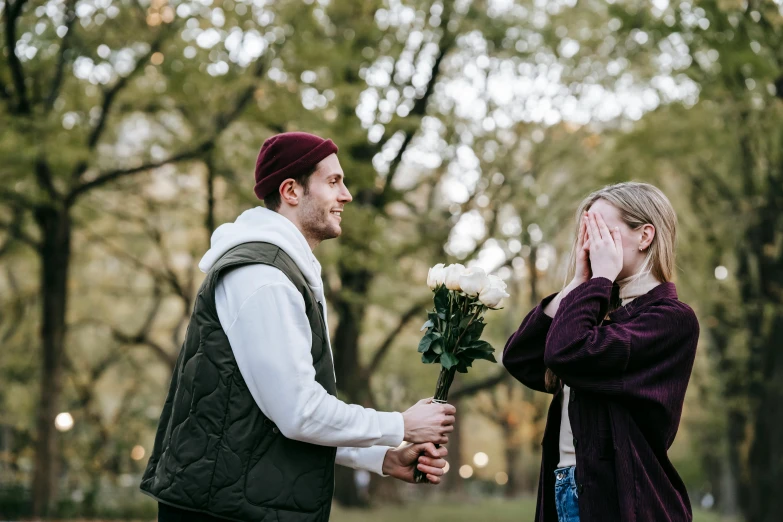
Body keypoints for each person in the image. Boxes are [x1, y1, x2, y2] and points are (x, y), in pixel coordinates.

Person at [140, 132, 455, 522]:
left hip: (244, 503)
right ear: (291, 190)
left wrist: (384, 459)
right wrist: (401, 424)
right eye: (333, 182)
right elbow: (298, 412)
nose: (347, 195)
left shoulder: (284, 270)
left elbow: (278, 417)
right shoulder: (263, 275)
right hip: (224, 510)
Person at [503, 182, 699, 522]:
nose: (592, 246)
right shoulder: (598, 312)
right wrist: (578, 283)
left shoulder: (671, 320)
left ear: (645, 236)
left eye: (603, 233)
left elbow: (568, 353)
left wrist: (599, 280)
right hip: (566, 488)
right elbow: (520, 358)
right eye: (587, 235)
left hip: (622, 503)